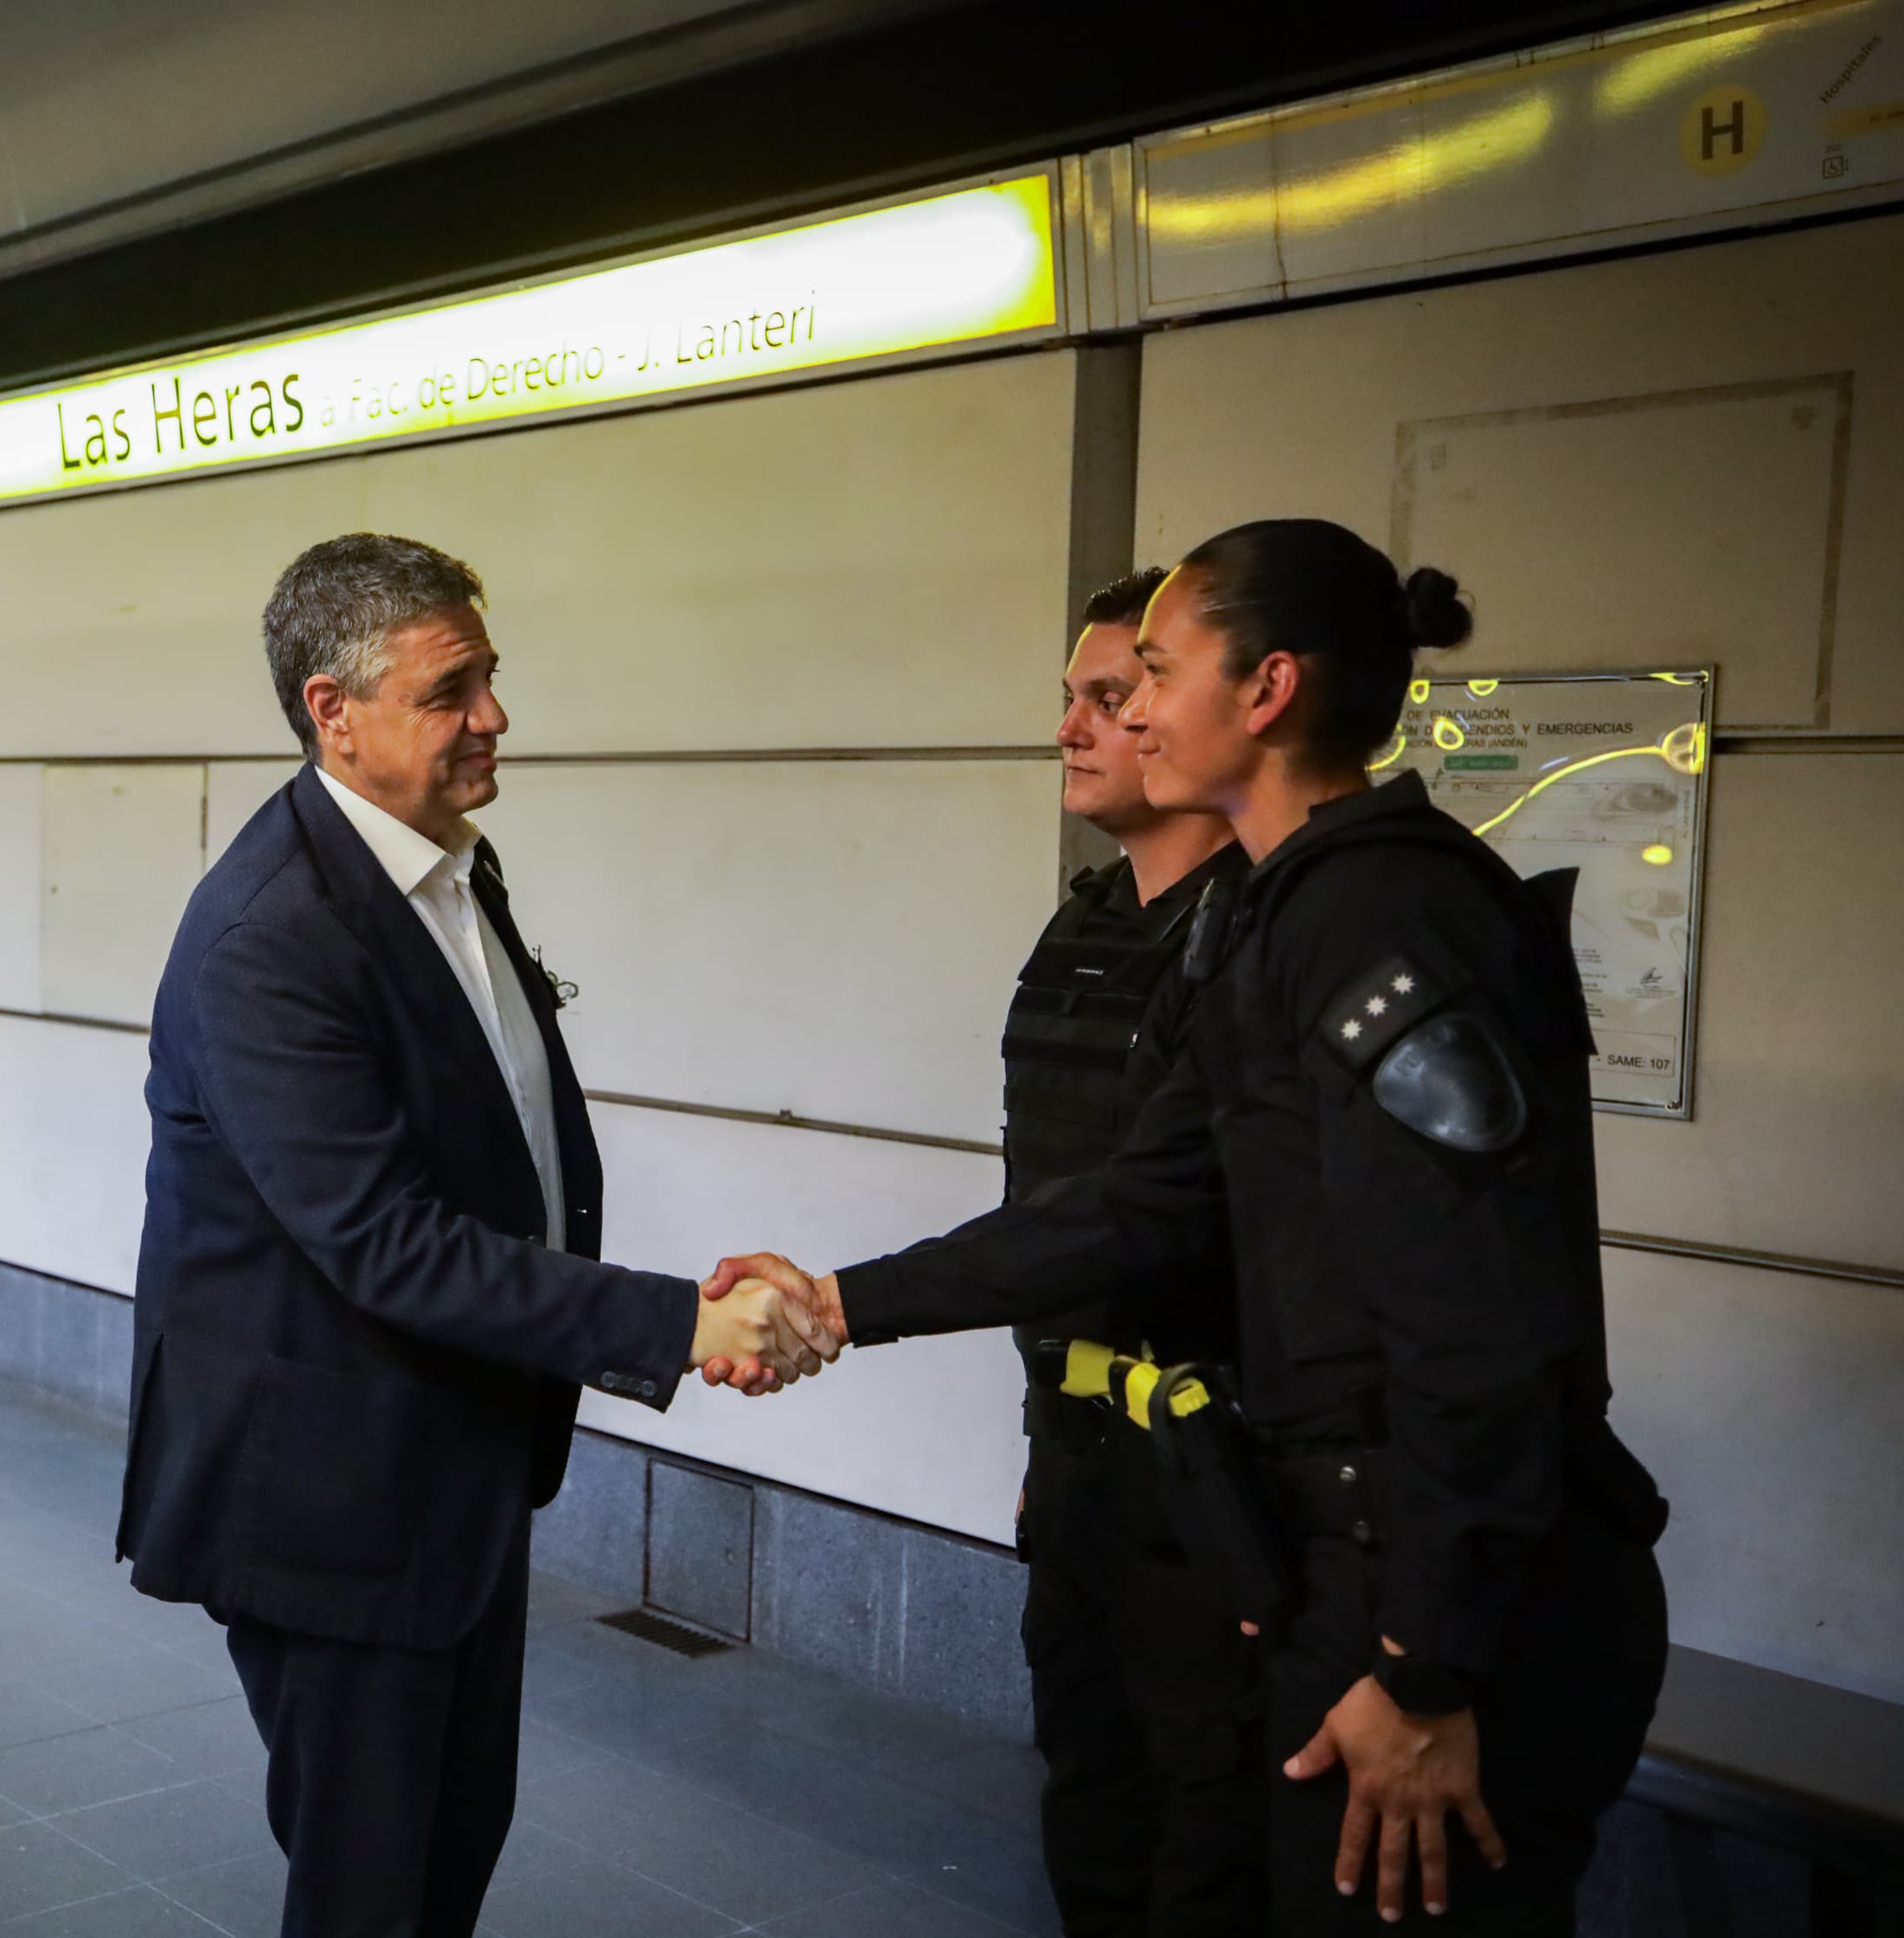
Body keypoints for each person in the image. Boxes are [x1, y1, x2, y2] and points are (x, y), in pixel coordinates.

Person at [706, 520, 1668, 1934]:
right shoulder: (1276, 921)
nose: (1127, 709)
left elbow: (1482, 1333)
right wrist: (842, 1300)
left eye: (1152, 671)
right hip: (1348, 1573)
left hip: (1443, 1609)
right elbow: (1132, 1206)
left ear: (1267, 689)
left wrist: (1427, 1671)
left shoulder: (1388, 912)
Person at [119, 532, 831, 1938]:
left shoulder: (442, 869)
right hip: (328, 1496)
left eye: (490, 678)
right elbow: (382, 1238)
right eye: (452, 690)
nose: (494, 716)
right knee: (373, 1882)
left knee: (449, 1842)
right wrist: (675, 1324)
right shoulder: (274, 934)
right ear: (334, 709)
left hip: (445, 1459)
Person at [1004, 567, 1261, 1935]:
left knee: (1207, 1844)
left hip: (1216, 1483)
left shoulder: (1261, 933)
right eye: (1072, 700)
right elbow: (1048, 1202)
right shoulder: (1087, 919)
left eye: (1112, 697)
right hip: (1083, 1466)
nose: (1081, 728)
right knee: (1089, 1808)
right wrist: (1044, 1451)